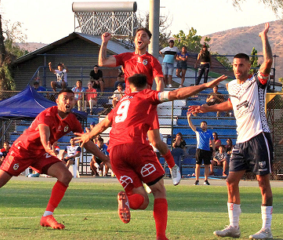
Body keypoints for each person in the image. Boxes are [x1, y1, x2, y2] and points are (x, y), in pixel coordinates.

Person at [74, 73, 226, 240]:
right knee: (159, 191)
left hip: (115, 151)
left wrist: (87, 137)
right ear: (148, 85)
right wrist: (205, 85)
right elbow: (177, 94)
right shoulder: (148, 95)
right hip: (135, 146)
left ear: (129, 86)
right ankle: (161, 236)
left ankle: (127, 200)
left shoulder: (121, 102)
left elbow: (103, 124)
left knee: (142, 201)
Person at [0, 89, 110, 230]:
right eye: (64, 98)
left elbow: (86, 141)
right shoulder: (47, 114)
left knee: (65, 176)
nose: (68, 101)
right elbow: (44, 133)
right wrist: (48, 147)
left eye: (71, 99)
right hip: (23, 150)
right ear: (57, 101)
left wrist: (104, 158)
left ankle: (47, 216)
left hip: (40, 154)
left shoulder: (73, 120)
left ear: (75, 101)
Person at [190, 23, 274, 239]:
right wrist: (208, 107)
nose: (237, 68)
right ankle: (234, 227)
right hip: (241, 142)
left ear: (248, 66)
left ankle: (266, 229)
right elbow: (230, 105)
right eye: (235, 65)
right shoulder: (231, 86)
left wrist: (263, 36)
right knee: (230, 181)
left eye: (241, 65)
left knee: (262, 182)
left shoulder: (257, 81)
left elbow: (269, 61)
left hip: (259, 137)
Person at [99, 28, 182, 186]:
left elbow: (159, 81)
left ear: (149, 41)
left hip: (145, 103)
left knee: (155, 141)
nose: (140, 37)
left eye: (144, 36)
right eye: (138, 35)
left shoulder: (152, 61)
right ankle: (146, 178)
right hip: (128, 104)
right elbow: (102, 62)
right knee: (132, 142)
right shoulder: (126, 57)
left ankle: (173, 166)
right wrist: (104, 43)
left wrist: (156, 98)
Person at [187, 114, 215, 185]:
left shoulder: (209, 132)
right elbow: (191, 126)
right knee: (198, 165)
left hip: (207, 150)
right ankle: (197, 180)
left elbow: (212, 141)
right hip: (199, 149)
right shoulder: (198, 131)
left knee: (206, 166)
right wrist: (189, 119)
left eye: (204, 124)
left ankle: (206, 180)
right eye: (202, 124)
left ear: (206, 125)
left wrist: (214, 150)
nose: (203, 125)